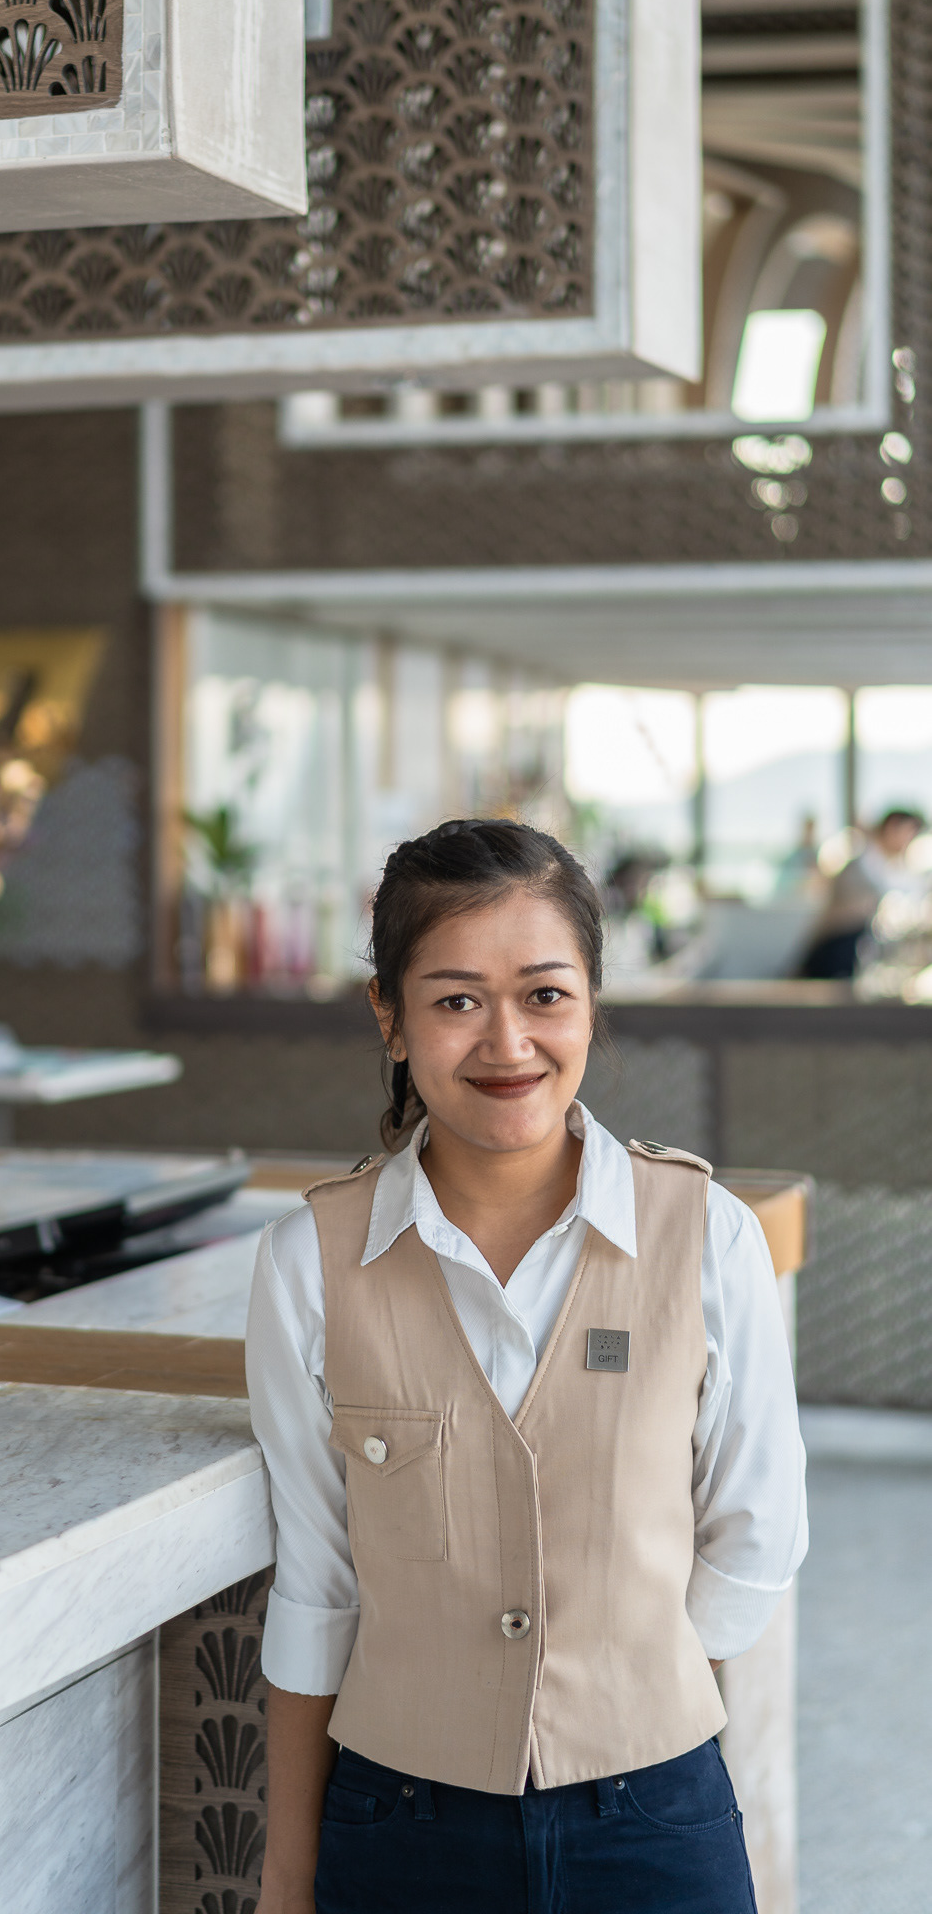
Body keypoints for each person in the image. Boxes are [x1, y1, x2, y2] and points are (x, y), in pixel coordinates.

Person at [247, 819, 807, 1914]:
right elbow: (316, 1587)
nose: (508, 1040)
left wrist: (622, 1692)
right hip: (397, 1825)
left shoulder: (706, 1232)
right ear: (391, 1018)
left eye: (545, 994)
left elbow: (758, 1532)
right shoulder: (308, 1261)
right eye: (456, 998)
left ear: (593, 1000)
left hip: (656, 1819)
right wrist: (285, 1873)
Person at [796, 806, 925, 979]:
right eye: (910, 832)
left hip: (852, 951)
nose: (909, 841)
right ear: (892, 827)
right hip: (838, 950)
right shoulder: (863, 863)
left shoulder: (887, 866)